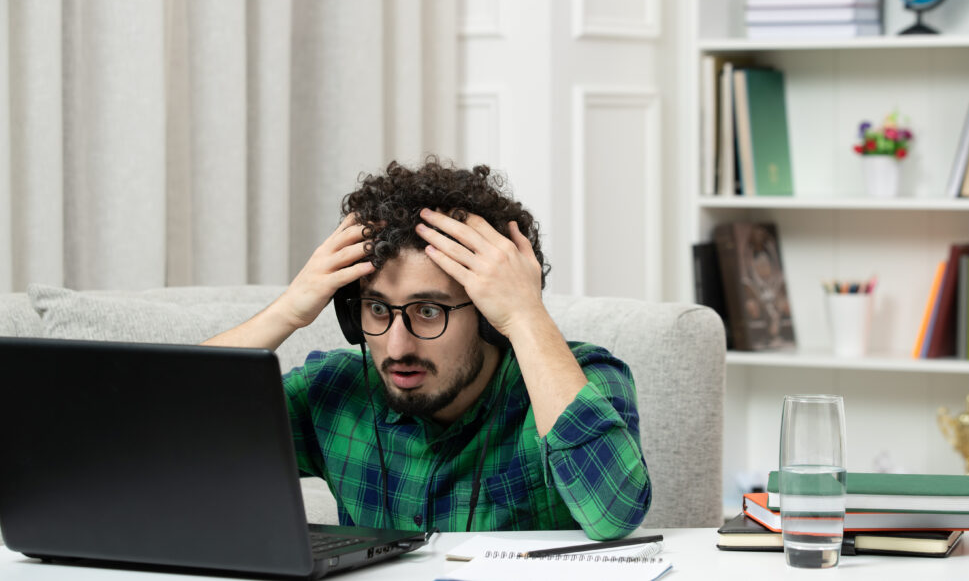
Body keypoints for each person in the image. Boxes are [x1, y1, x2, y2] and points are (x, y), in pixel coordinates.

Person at [204, 157, 651, 540]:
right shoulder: (333, 392)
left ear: (489, 317)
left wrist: (526, 316)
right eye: (378, 309)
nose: (397, 346)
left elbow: (613, 514)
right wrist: (287, 312)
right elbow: (158, 429)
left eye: (429, 312)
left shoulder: (585, 379)